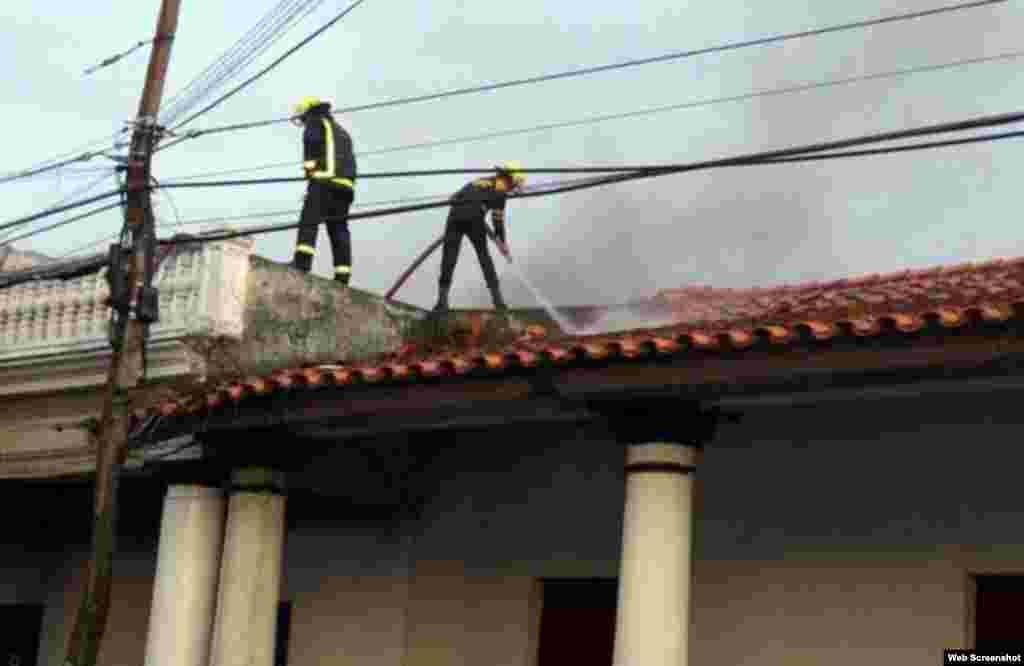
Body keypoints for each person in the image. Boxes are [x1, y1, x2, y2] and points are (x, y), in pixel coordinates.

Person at [432, 162, 526, 314]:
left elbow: (454, 197)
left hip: (454, 216)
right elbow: (497, 221)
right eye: (513, 185)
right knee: (484, 256)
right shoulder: (500, 189)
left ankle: (441, 302)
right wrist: (502, 242)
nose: (512, 189)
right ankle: (499, 303)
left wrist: (473, 205)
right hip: (475, 219)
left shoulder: (480, 181)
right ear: (509, 179)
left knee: (449, 257)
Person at [290, 97, 357, 284]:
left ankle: (302, 263)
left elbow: (311, 153)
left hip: (324, 182)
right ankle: (343, 275)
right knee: (338, 230)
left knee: (309, 220)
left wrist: (310, 175)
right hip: (345, 188)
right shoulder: (341, 130)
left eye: (302, 118)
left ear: (307, 112)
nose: (303, 122)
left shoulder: (315, 123)